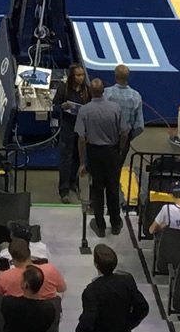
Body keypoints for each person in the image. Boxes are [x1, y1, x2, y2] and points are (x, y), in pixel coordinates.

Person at [76, 78, 127, 236]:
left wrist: (82, 162)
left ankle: (100, 225)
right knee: (112, 188)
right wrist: (119, 149)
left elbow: (82, 138)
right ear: (104, 90)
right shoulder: (115, 108)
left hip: (94, 152)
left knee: (97, 189)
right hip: (112, 152)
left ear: (91, 92)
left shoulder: (84, 110)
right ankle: (116, 223)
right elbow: (124, 132)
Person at [54, 63, 90, 202]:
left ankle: (73, 183)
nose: (81, 78)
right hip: (68, 126)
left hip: (81, 128)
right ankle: (64, 189)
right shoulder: (63, 89)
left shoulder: (87, 91)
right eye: (78, 75)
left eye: (82, 75)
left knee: (77, 156)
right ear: (72, 76)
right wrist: (62, 106)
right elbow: (55, 107)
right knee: (66, 158)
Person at [0, 240, 65, 300]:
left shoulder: (3, 277)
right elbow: (62, 288)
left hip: (17, 313)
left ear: (12, 257)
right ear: (30, 252)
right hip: (47, 313)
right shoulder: (50, 270)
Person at [103, 63, 144, 143]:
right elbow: (140, 126)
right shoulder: (136, 96)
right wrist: (129, 138)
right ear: (128, 77)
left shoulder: (106, 93)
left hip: (105, 137)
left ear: (115, 76)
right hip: (125, 137)